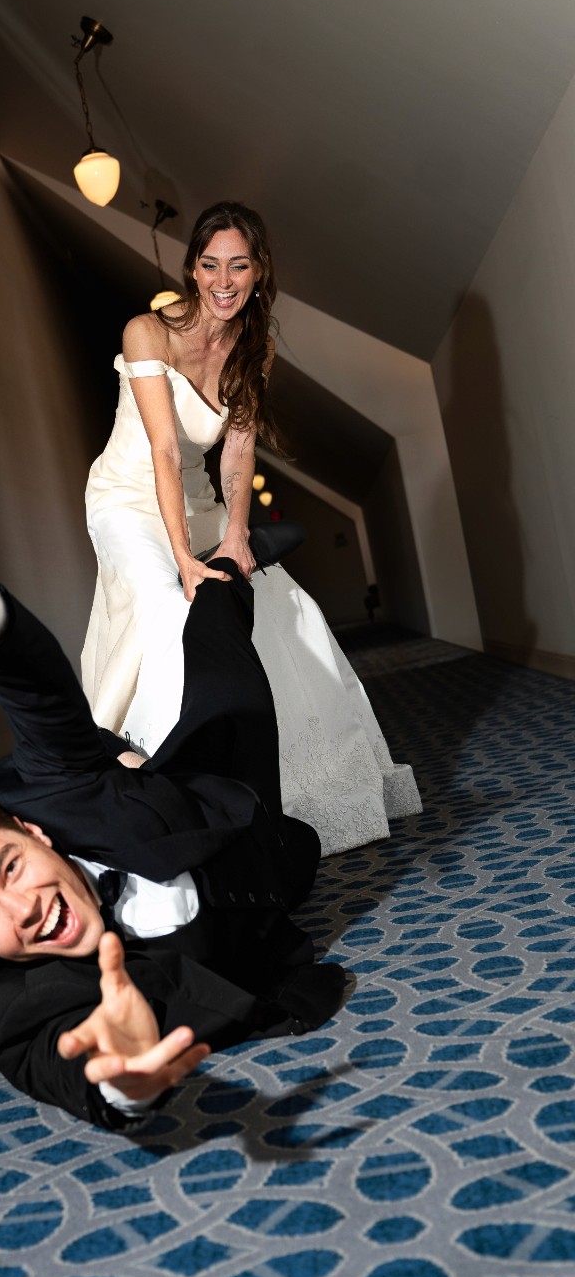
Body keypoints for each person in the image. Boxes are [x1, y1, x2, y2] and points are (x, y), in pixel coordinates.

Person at [0, 514, 349, 1130]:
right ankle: (123, 762)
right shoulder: (3, 991)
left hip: (202, 806)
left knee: (225, 678)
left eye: (10, 868)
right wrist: (120, 1083)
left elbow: (39, 698)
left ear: (32, 833)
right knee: (301, 851)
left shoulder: (53, 798)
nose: (22, 908)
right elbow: (47, 1058)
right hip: (258, 895)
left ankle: (224, 572)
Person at [82, 200, 420, 856]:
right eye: (210, 265)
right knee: (173, 609)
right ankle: (171, 796)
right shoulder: (147, 333)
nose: (223, 280)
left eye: (238, 265)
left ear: (259, 270)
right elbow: (162, 450)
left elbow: (237, 451)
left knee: (279, 604)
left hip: (199, 496)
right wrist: (185, 556)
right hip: (126, 499)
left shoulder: (253, 346)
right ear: (192, 269)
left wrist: (235, 536)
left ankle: (295, 790)